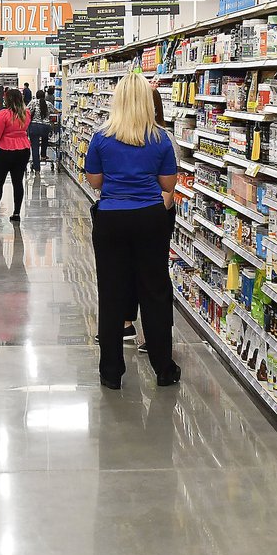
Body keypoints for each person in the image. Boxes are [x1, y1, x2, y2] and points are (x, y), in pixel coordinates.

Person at [85, 73, 181, 390]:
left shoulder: (101, 138)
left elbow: (95, 181)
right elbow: (168, 185)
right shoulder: (161, 139)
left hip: (111, 219)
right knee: (154, 291)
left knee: (111, 294)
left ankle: (111, 372)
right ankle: (163, 367)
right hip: (150, 219)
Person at [0, 87, 31, 223]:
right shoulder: (26, 113)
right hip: (23, 149)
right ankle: (16, 213)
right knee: (18, 182)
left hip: (5, 150)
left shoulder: (3, 114)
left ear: (7, 99)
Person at [27, 89, 54, 171]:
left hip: (34, 126)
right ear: (44, 96)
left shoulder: (33, 102)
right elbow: (54, 112)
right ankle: (43, 155)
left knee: (34, 147)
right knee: (45, 139)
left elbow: (27, 111)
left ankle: (37, 167)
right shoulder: (48, 104)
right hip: (46, 127)